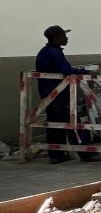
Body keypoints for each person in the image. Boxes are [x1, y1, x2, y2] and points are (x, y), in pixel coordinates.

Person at [35, 25, 91, 163]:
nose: (67, 38)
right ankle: (86, 154)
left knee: (54, 124)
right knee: (72, 122)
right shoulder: (54, 53)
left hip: (48, 94)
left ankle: (56, 155)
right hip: (58, 94)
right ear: (57, 38)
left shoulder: (44, 52)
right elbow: (66, 70)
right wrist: (85, 72)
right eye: (64, 36)